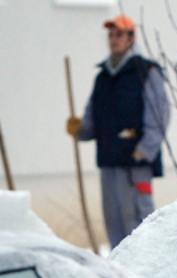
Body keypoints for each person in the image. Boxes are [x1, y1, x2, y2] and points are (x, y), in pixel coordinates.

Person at [65, 15, 170, 248]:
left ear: (132, 38)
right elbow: (93, 118)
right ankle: (120, 274)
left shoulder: (146, 72)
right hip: (109, 161)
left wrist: (145, 149)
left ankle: (146, 269)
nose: (114, 39)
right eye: (111, 35)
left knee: (137, 219)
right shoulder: (102, 77)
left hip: (135, 162)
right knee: (114, 220)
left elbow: (160, 114)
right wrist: (80, 129)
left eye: (120, 34)